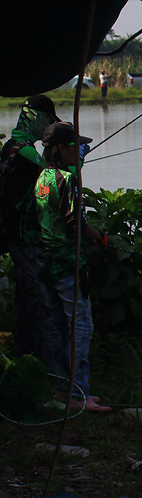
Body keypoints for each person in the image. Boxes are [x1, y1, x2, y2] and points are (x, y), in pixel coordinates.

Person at [34, 121, 112, 412]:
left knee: (55, 328)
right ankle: (79, 394)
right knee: (80, 327)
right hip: (68, 264)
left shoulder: (42, 177)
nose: (80, 151)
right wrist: (101, 238)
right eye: (76, 147)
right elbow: (76, 224)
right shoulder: (68, 181)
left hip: (44, 262)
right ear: (63, 148)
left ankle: (60, 391)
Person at [1, 95, 59, 365]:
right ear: (35, 116)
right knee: (37, 302)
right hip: (24, 239)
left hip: (17, 237)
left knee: (27, 300)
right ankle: (39, 365)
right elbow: (51, 182)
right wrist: (70, 161)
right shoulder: (24, 151)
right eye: (47, 120)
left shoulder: (11, 147)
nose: (47, 127)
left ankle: (23, 358)